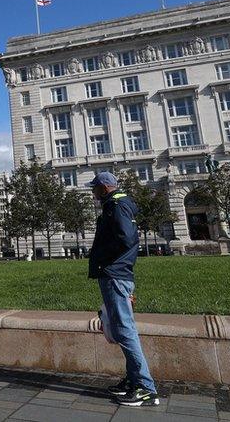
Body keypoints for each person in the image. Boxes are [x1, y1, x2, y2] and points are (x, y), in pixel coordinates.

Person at [87, 171, 159, 407]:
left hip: (115, 274)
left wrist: (104, 261)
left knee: (125, 330)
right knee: (121, 329)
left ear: (104, 188)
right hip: (116, 273)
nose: (93, 192)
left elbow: (126, 238)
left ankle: (145, 387)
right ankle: (133, 379)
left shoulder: (116, 206)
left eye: (94, 188)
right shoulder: (116, 204)